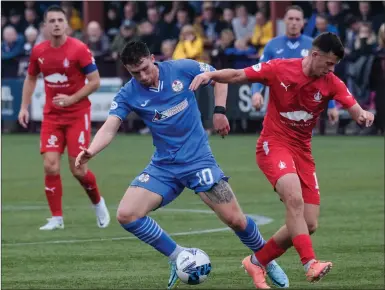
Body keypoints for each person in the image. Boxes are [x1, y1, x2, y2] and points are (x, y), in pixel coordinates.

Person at [75, 41, 289, 289]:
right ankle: (178, 257)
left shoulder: (182, 69)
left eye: (145, 68)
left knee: (237, 221)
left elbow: (218, 78)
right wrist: (91, 150)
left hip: (198, 161)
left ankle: (266, 259)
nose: (142, 76)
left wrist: (219, 111)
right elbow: (110, 126)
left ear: (152, 58)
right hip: (164, 166)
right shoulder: (128, 93)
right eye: (135, 73)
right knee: (127, 215)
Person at [189, 32, 374, 288]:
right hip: (273, 145)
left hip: (302, 152)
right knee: (294, 200)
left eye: (335, 66)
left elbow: (353, 106)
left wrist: (363, 114)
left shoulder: (331, 82)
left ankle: (257, 261)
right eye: (329, 64)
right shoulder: (279, 69)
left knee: (308, 223)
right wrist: (212, 75)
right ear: (315, 54)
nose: (331, 70)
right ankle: (310, 263)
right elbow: (238, 75)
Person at [18, 5, 110, 231]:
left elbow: (95, 81)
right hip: (51, 117)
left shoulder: (79, 49)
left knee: (78, 169)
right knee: (50, 166)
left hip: (77, 115)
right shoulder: (39, 51)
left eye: (60, 20)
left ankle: (98, 202)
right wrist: (24, 107)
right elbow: (30, 79)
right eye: (52, 20)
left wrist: (72, 99)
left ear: (67, 24)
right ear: (45, 26)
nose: (56, 24)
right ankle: (56, 218)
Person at [251, 5, 338, 126]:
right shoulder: (272, 45)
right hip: (276, 108)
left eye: (297, 19)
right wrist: (256, 93)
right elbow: (258, 72)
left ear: (303, 23)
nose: (294, 23)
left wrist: (332, 105)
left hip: (304, 110)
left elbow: (325, 77)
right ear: (285, 20)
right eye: (291, 19)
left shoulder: (313, 45)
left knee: (299, 143)